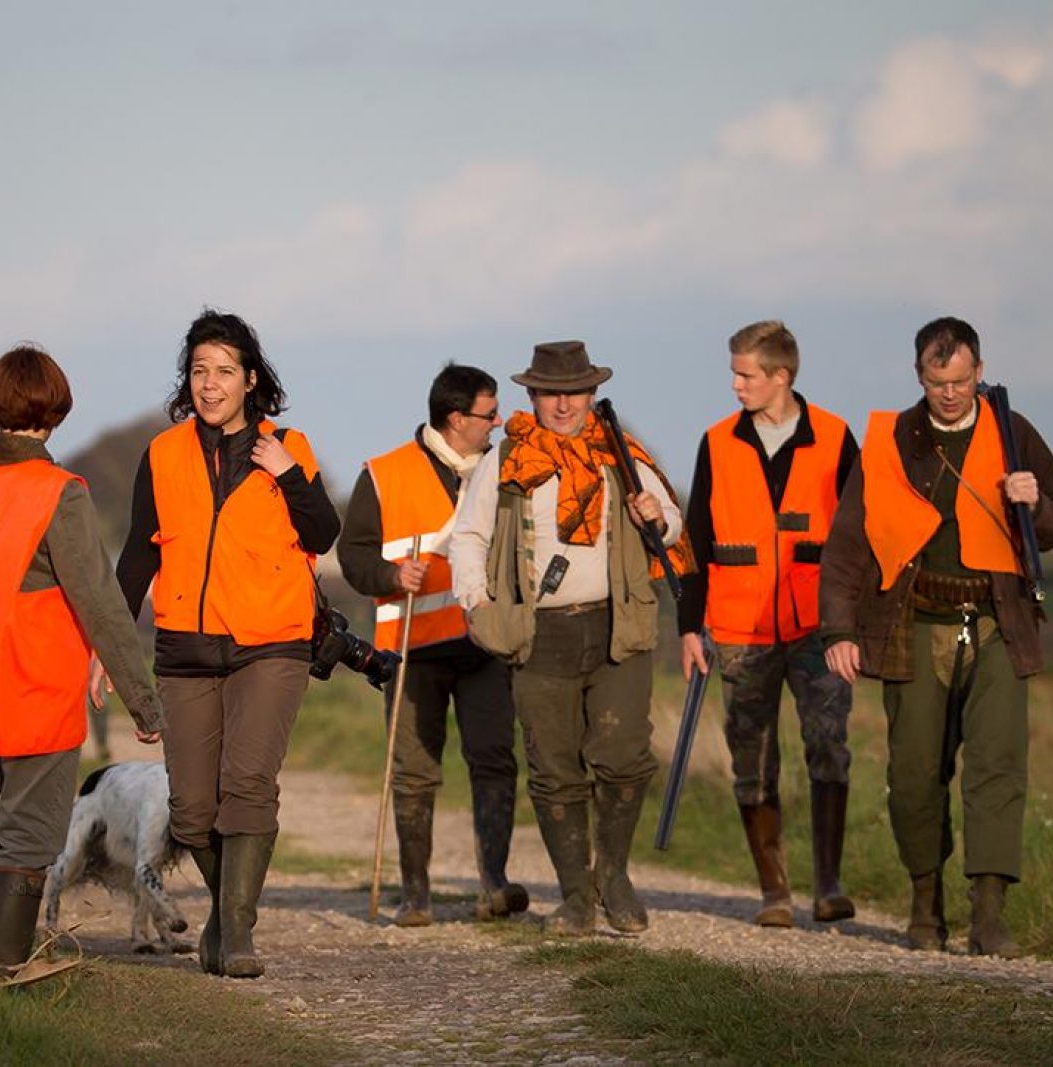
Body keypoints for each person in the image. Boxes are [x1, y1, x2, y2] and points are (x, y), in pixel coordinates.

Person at [820, 317, 1053, 957]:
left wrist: (1033, 500)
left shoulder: (1014, 433)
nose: (952, 394)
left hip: (997, 626)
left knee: (997, 771)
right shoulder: (889, 442)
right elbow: (849, 543)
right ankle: (924, 903)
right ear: (919, 378)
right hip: (913, 625)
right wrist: (839, 630)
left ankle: (989, 915)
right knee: (912, 777)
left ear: (979, 371)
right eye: (939, 383)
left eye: (961, 380)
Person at [0, 344, 165, 977]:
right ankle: (4, 973)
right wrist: (144, 698)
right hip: (32, 682)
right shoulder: (59, 493)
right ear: (55, 411)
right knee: (34, 833)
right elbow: (101, 601)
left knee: (24, 812)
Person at [115, 309, 340, 978]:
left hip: (271, 642)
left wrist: (288, 473)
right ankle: (227, 913)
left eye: (223, 371)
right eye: (198, 371)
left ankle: (236, 934)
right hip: (185, 645)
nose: (209, 384)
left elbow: (323, 533)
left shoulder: (288, 445)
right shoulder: (162, 454)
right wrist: (105, 644)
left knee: (247, 782)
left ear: (250, 379)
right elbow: (135, 557)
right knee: (190, 809)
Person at [451, 341, 691, 935]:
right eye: (552, 393)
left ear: (593, 394)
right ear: (533, 396)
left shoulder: (622, 453)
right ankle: (578, 898)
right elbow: (469, 536)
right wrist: (477, 601)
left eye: (575, 391)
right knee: (554, 767)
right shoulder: (505, 457)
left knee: (625, 758)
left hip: (617, 625)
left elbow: (673, 519)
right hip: (541, 634)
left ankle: (613, 876)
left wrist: (653, 518)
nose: (564, 404)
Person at [677, 321, 859, 927]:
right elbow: (695, 541)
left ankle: (828, 885)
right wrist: (687, 627)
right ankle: (774, 891)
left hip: (818, 629)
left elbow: (858, 538)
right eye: (734, 372)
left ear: (781, 377)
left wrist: (851, 625)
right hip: (738, 630)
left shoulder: (835, 438)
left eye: (745, 374)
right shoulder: (716, 441)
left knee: (828, 746)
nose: (735, 385)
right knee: (752, 761)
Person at [338, 362, 528, 926]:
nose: (498, 424)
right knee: (415, 774)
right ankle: (416, 895)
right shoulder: (384, 473)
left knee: (494, 760)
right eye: (489, 415)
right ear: (455, 418)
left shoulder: (508, 471)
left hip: (484, 645)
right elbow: (353, 557)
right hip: (412, 650)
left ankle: (494, 883)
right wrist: (393, 577)